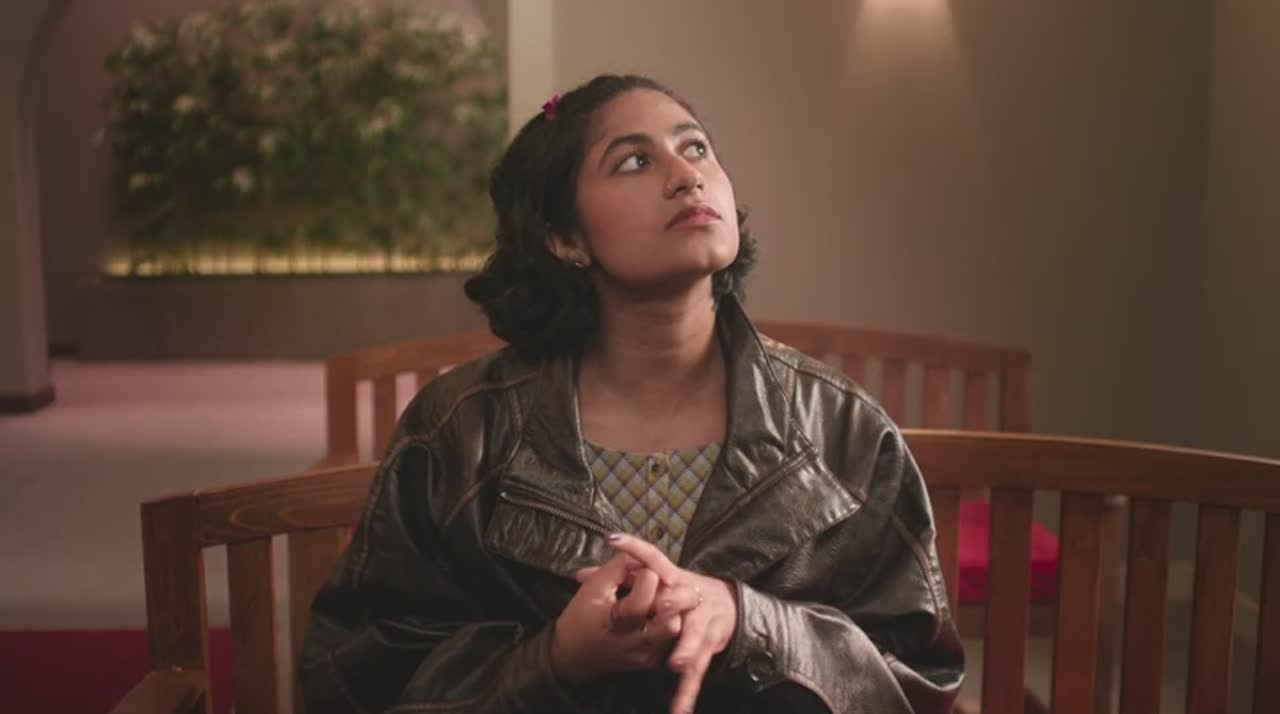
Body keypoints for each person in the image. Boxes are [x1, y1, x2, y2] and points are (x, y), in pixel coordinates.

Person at [300, 73, 963, 714]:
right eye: (634, 161)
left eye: (695, 148)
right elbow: (353, 678)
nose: (686, 176)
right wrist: (553, 660)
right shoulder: (460, 427)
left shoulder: (842, 427)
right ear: (565, 237)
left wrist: (747, 621)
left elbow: (920, 683)